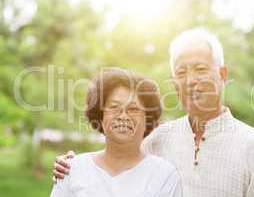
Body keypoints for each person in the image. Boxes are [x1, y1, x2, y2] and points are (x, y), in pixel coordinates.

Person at [53, 28, 254, 197]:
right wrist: (70, 166)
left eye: (201, 69)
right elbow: (119, 162)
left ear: (222, 74)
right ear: (174, 82)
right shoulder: (158, 139)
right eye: (181, 72)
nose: (191, 80)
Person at [50, 68, 183, 197]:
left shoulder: (164, 175)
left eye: (133, 109)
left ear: (147, 119)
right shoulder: (72, 170)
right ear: (100, 116)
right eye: (114, 107)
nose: (123, 116)